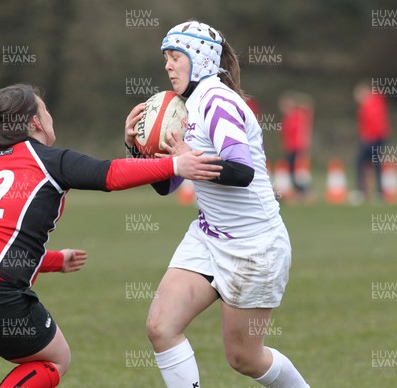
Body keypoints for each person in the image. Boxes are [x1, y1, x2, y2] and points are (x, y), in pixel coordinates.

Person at [0, 84, 222, 388]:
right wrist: (177, 166)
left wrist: (55, 260)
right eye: (46, 109)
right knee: (56, 359)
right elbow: (111, 174)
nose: (50, 116)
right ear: (36, 122)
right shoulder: (51, 161)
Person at [125, 21, 310, 387]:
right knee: (161, 326)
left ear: (200, 59)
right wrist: (135, 148)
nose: (168, 66)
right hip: (208, 236)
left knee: (244, 358)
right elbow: (166, 185)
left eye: (175, 57)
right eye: (165, 58)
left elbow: (240, 170)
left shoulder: (217, 100)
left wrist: (190, 162)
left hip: (253, 246)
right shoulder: (184, 107)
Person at [353, 81, 391, 203]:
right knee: (375, 164)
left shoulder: (371, 103)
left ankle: (362, 191)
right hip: (376, 137)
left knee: (360, 162)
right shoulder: (374, 102)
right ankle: (377, 192)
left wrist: (370, 136)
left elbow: (376, 122)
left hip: (373, 138)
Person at [278, 91, 312, 201]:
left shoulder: (297, 116)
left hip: (296, 148)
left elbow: (301, 133)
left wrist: (302, 148)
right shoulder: (288, 117)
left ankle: (305, 192)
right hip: (290, 147)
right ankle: (300, 192)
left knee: (297, 172)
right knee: (292, 172)